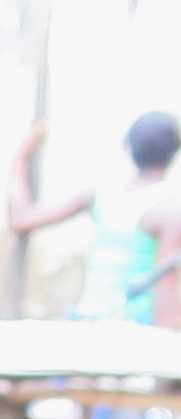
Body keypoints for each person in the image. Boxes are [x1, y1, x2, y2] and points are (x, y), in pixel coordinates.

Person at [10, 114, 181, 323]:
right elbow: (166, 289)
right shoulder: (170, 210)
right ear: (175, 152)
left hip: (87, 318)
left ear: (127, 146)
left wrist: (23, 157)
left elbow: (21, 218)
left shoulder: (101, 196)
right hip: (134, 324)